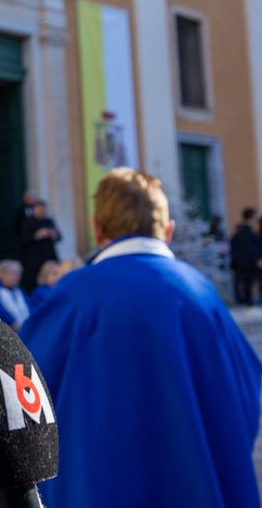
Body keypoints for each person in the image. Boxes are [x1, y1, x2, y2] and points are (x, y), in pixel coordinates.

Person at [20, 168, 261, 508]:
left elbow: (25, 399)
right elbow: (246, 398)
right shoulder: (203, 294)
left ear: (97, 228)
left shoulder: (74, 295)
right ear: (169, 230)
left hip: (99, 490)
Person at [20, 199, 61, 293]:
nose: (42, 211)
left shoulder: (48, 221)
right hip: (35, 258)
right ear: (34, 209)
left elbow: (59, 237)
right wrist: (38, 235)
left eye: (43, 209)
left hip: (49, 255)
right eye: (39, 209)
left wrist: (53, 234)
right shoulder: (28, 222)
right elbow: (24, 239)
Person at [231, 207, 262, 306]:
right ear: (251, 217)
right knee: (247, 283)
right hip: (247, 263)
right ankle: (247, 302)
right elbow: (250, 248)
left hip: (245, 262)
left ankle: (247, 301)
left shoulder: (242, 230)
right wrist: (258, 259)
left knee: (246, 283)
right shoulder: (246, 231)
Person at [12, 191, 37, 259]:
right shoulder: (20, 211)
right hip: (25, 242)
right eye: (29, 198)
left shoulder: (38, 210)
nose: (31, 200)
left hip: (38, 245)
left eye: (33, 198)